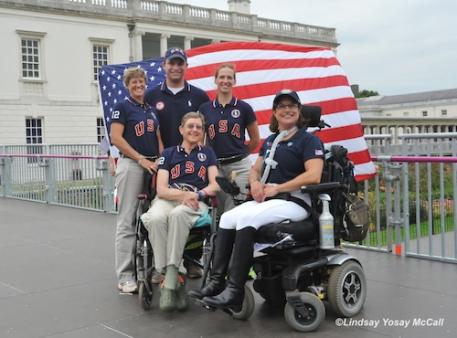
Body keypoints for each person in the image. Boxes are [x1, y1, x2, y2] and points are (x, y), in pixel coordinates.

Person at [190, 89, 324, 311]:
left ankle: (235, 290)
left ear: (299, 111)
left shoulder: (309, 140)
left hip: (295, 202)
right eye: (282, 106)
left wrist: (277, 188)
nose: (287, 110)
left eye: (292, 106)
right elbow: (255, 169)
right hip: (271, 201)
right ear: (275, 112)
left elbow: (313, 175)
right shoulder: (272, 141)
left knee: (247, 219)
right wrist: (255, 183)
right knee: (228, 218)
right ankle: (216, 283)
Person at [141, 112, 219, 312]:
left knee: (178, 215)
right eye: (190, 126)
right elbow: (161, 189)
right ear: (181, 129)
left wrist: (199, 195)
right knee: (156, 217)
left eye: (198, 127)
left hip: (195, 202)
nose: (194, 130)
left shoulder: (208, 154)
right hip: (169, 198)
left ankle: (171, 277)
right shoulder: (168, 153)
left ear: (203, 132)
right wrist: (183, 195)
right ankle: (169, 274)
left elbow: (214, 185)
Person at [145, 47, 210, 278]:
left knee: (189, 210)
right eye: (171, 63)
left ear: (185, 66)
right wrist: (112, 156)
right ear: (164, 65)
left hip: (192, 164)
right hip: (161, 163)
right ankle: (160, 264)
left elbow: (208, 131)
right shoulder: (151, 96)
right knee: (159, 212)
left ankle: (191, 260)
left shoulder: (200, 96)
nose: (175, 67)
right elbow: (136, 127)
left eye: (180, 63)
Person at [110, 67, 164, 293]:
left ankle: (152, 268)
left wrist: (162, 161)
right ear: (127, 85)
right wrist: (140, 159)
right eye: (134, 82)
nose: (138, 85)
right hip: (132, 165)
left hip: (152, 166)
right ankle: (125, 275)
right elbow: (116, 138)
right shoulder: (122, 107)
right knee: (128, 219)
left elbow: (158, 139)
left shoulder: (151, 110)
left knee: (153, 218)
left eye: (141, 82)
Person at [199, 63, 260, 211]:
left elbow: (255, 140)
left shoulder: (244, 108)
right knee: (218, 210)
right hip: (215, 167)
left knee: (235, 208)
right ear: (215, 80)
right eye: (221, 77)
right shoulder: (205, 108)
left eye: (229, 77)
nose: (225, 81)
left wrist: (240, 153)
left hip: (238, 166)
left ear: (234, 81)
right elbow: (201, 140)